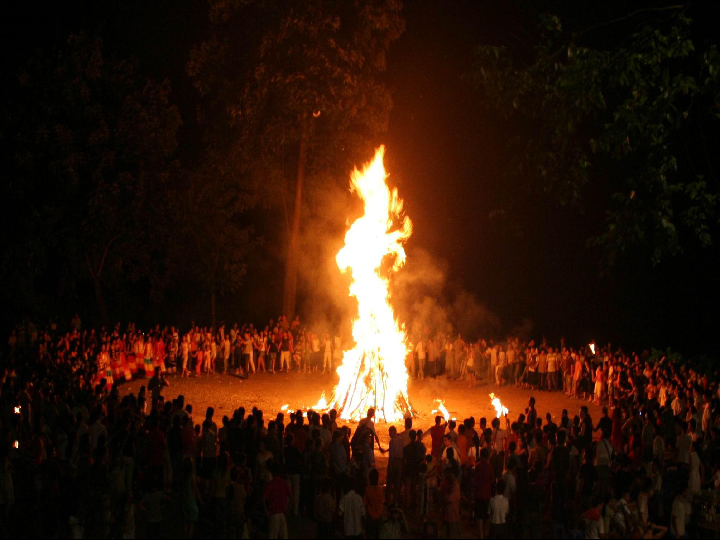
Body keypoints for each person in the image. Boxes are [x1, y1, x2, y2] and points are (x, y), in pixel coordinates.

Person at [264, 462, 292, 540]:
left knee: (273, 535)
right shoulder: (284, 483)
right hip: (282, 513)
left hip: (274, 514)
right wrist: (288, 509)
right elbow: (291, 497)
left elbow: (263, 498)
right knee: (284, 536)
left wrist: (266, 511)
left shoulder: (270, 484)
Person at [364, 468, 384, 539]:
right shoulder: (380, 490)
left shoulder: (367, 490)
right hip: (379, 516)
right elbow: (382, 502)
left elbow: (365, 504)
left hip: (370, 517)